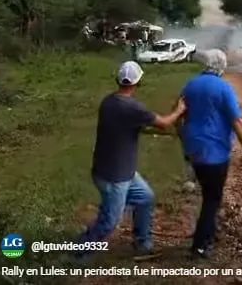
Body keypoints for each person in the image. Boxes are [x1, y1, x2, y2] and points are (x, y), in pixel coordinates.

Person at [74, 61, 185, 258]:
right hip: (115, 177)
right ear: (138, 82)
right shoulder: (133, 108)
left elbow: (132, 126)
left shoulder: (108, 102)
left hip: (115, 170)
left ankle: (142, 242)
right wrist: (179, 109)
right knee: (109, 222)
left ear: (119, 80)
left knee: (145, 198)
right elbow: (164, 123)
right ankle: (78, 251)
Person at [179, 49, 242, 258]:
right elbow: (237, 121)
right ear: (222, 67)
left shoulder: (191, 84)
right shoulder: (224, 88)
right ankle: (200, 246)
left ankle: (207, 230)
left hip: (194, 150)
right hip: (215, 153)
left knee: (206, 194)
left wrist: (185, 142)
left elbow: (177, 115)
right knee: (212, 199)